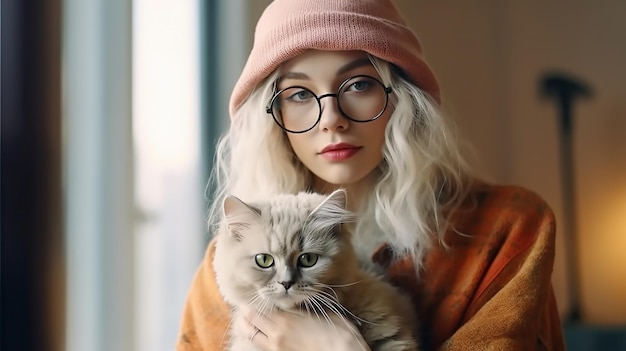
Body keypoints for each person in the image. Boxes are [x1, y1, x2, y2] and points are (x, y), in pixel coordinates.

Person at [176, 0, 566, 350]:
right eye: (298, 94)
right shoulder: (223, 268)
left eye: (359, 84)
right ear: (270, 116)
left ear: (402, 97)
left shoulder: (508, 227)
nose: (332, 120)